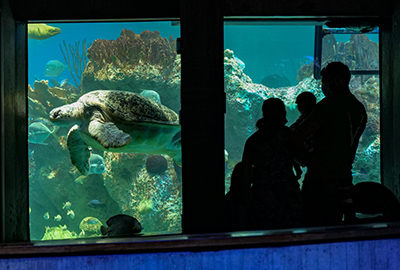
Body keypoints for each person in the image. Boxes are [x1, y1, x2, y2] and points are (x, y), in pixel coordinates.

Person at [293, 62, 367, 226]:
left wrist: (309, 163)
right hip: (345, 179)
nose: (323, 86)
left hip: (319, 181)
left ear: (338, 80)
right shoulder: (359, 109)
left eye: (325, 81)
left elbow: (297, 137)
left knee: (312, 228)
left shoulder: (327, 106)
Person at [241, 98, 303, 229]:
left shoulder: (253, 140)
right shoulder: (290, 135)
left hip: (262, 197)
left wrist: (247, 202)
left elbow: (245, 174)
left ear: (264, 113)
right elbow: (303, 158)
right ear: (283, 113)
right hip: (287, 196)